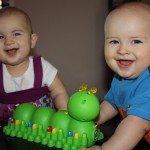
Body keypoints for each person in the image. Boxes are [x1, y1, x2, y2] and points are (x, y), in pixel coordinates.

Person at [80, 1, 150, 150]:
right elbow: (112, 104)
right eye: (114, 41)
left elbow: (136, 124)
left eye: (136, 41)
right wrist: (90, 120)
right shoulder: (119, 79)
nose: (122, 49)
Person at [0, 7, 69, 124]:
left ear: (32, 40)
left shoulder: (42, 68)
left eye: (16, 34)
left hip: (43, 130)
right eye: (1, 37)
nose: (8, 41)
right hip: (7, 134)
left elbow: (59, 93)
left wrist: (63, 113)